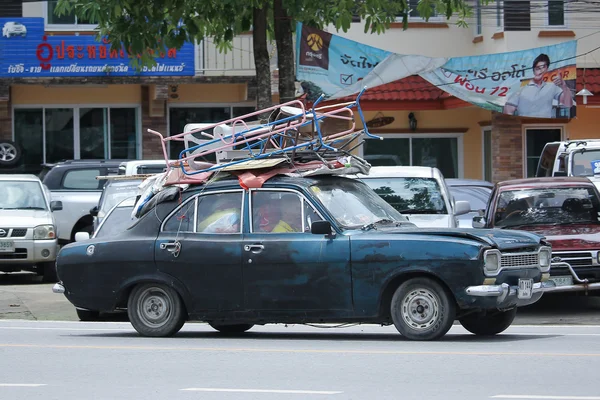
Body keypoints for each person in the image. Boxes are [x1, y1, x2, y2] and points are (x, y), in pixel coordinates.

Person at [503, 53, 573, 118]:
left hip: (546, 128)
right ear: (533, 70)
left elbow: (568, 104)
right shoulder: (521, 89)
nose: (540, 70)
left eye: (543, 67)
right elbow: (508, 112)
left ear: (547, 69)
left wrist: (564, 86)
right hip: (526, 128)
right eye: (537, 68)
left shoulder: (551, 87)